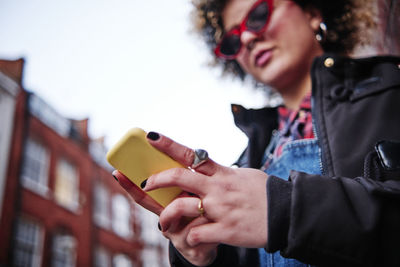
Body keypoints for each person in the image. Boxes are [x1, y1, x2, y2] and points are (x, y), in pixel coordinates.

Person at [113, 0, 400, 266]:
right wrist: (203, 256)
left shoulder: (391, 90)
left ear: (312, 13)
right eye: (233, 40)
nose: (247, 39)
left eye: (258, 15)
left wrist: (283, 209)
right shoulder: (248, 160)